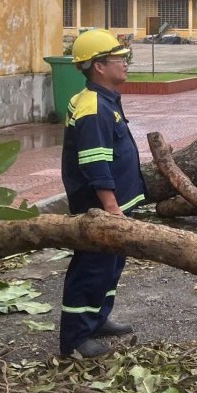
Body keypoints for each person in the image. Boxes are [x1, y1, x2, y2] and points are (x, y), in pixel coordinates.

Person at [59, 29, 146, 358]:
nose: (125, 63)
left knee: (110, 265)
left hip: (113, 206)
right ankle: (75, 339)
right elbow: (95, 162)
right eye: (118, 59)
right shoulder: (93, 107)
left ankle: (97, 318)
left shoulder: (104, 99)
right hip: (99, 209)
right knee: (92, 268)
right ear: (98, 66)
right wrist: (111, 208)